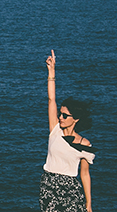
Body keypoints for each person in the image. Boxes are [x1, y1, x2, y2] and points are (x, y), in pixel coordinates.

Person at [41, 50, 96, 212]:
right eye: (60, 114)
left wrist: (89, 204)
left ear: (76, 119)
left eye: (65, 115)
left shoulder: (84, 144)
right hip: (49, 186)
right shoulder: (55, 130)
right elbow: (52, 99)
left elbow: (85, 175)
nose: (61, 117)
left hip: (71, 188)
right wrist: (52, 71)